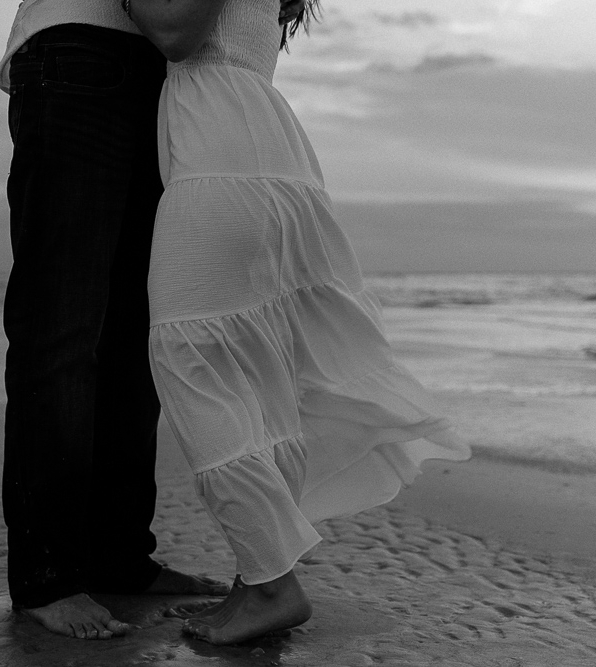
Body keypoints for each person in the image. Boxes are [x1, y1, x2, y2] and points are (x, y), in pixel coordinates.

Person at [128, 0, 471, 645]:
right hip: (257, 143)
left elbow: (176, 31)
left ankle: (271, 586)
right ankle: (258, 577)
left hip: (221, 154)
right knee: (258, 374)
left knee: (191, 356)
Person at [0, 0, 307, 641]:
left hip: (161, 81)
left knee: (132, 338)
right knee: (61, 326)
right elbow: (176, 25)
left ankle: (118, 557)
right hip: (82, 53)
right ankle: (48, 575)